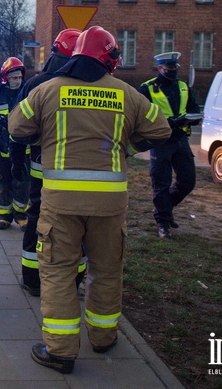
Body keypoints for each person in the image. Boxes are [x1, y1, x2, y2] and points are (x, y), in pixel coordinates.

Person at [10, 26, 171, 373]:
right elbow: (162, 129)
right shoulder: (126, 93)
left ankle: (61, 350)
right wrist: (124, 148)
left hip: (60, 203)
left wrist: (46, 133)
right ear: (109, 59)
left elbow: (16, 127)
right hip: (109, 206)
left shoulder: (48, 90)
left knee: (56, 273)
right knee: (107, 271)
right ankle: (102, 337)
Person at [10, 29, 84, 296]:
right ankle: (74, 279)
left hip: (42, 168)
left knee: (37, 218)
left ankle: (32, 278)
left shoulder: (36, 85)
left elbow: (16, 129)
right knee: (78, 223)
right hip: (79, 172)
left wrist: (17, 162)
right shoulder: (87, 85)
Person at [138, 52, 201, 238]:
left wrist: (193, 118)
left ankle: (165, 208)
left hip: (181, 139)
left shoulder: (183, 86)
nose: (172, 71)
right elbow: (142, 116)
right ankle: (163, 222)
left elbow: (193, 107)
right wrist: (169, 122)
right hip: (160, 141)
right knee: (161, 183)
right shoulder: (147, 88)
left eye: (174, 68)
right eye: (169, 68)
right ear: (159, 68)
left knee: (188, 181)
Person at [0, 57, 29, 230]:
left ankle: (21, 215)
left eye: (19, 77)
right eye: (13, 78)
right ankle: (5, 216)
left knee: (22, 183)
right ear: (6, 78)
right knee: (3, 183)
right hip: (2, 149)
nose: (17, 81)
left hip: (22, 149)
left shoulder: (27, 95)